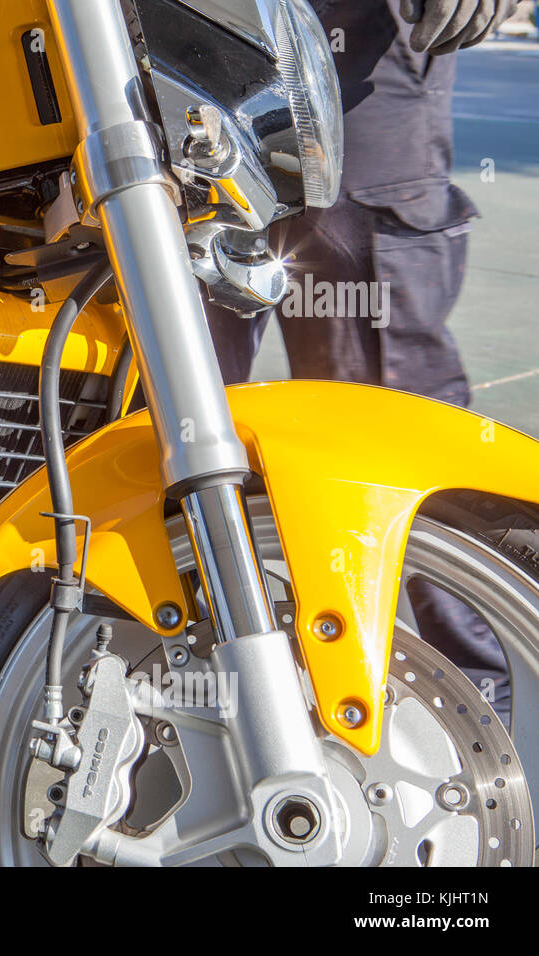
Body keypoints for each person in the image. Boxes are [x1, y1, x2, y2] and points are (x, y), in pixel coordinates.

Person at [208, 0, 518, 719]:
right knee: (162, 416)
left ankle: (498, 711)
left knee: (393, 416)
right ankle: (159, 688)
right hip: (167, 45)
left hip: (365, 54)